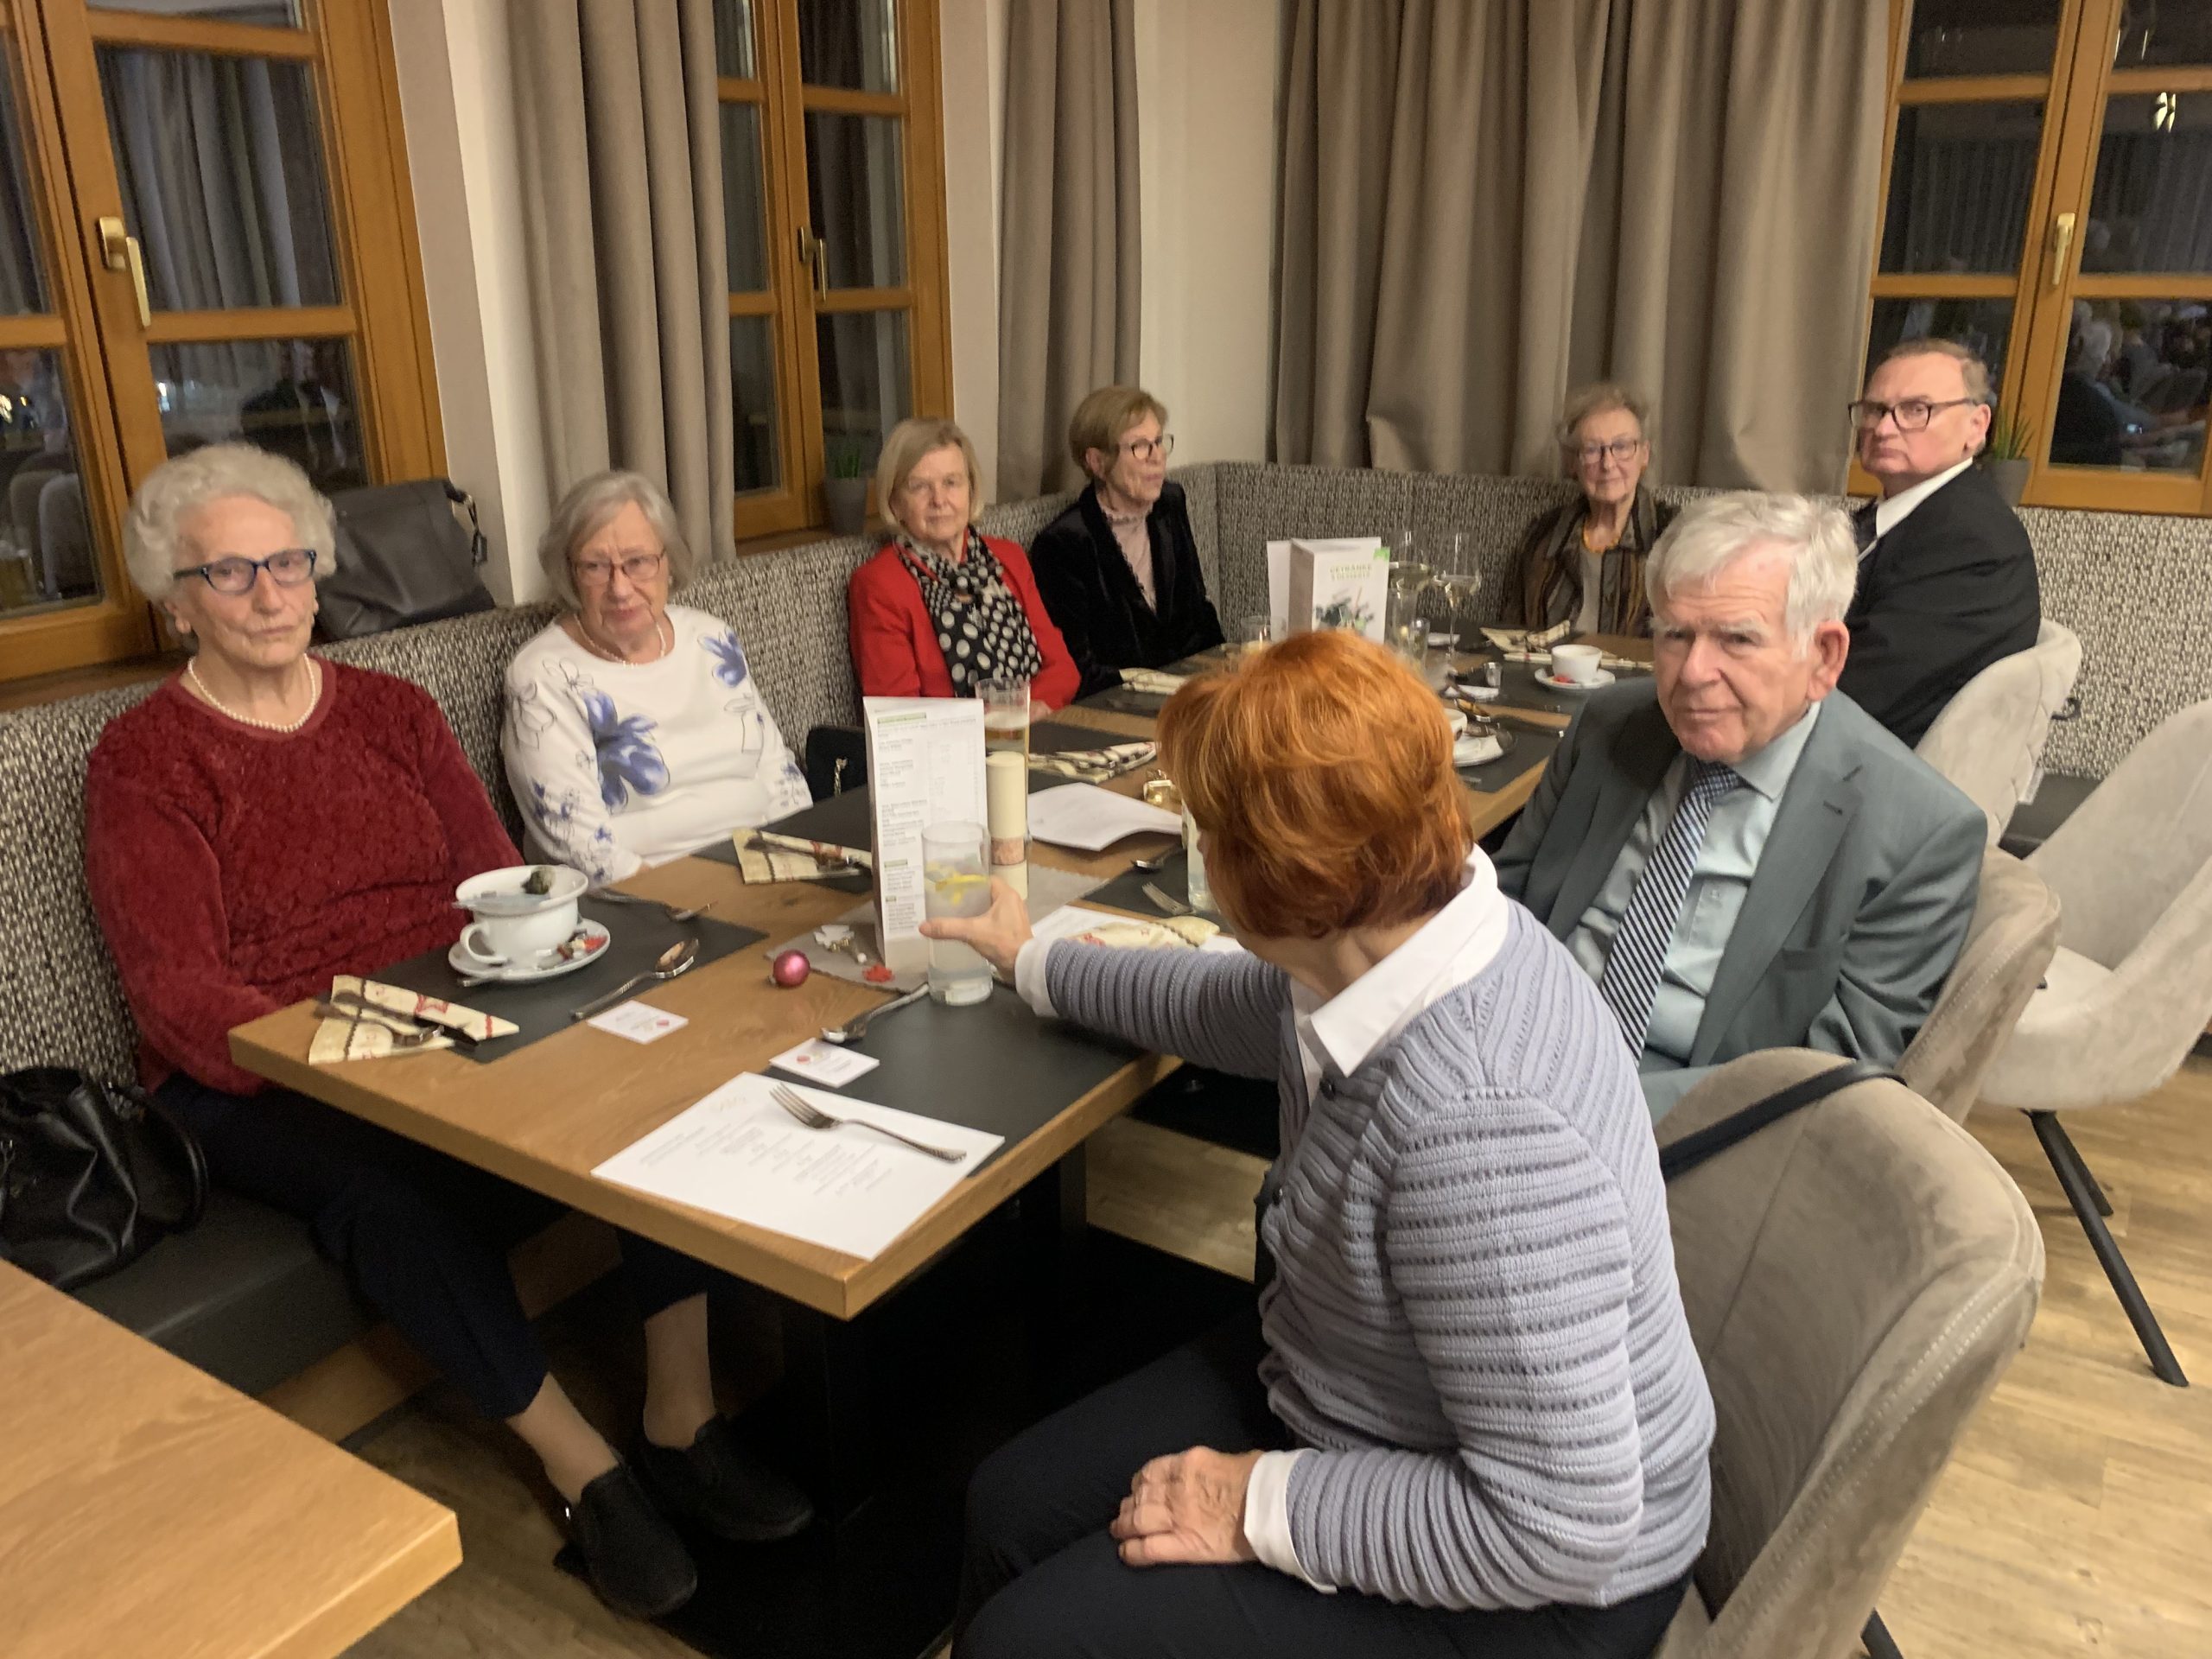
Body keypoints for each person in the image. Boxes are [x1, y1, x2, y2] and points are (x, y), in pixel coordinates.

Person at [83, 444, 810, 1622]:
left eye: (288, 564)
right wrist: (365, 1044)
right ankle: (587, 1473)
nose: (270, 595)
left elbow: (501, 880)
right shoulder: (144, 758)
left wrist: (520, 988)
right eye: (230, 574)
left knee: (646, 1082)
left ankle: (681, 1418)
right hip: (259, 1070)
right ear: (177, 602)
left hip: (442, 1006)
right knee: (390, 1198)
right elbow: (179, 993)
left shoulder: (392, 710)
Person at [923, 629, 1713, 1659]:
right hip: (1366, 1397)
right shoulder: (1391, 938)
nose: (1196, 851)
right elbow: (1216, 1002)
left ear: (1282, 884)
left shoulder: (1480, 1132)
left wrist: (1255, 1501)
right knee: (1006, 1506)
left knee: (1028, 1638)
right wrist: (1031, 960)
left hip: (1546, 1586)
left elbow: (1559, 1525)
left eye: (1204, 833)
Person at [1494, 492, 1986, 1122]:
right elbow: (1503, 909)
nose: (1693, 672)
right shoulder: (1609, 724)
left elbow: (1822, 1087)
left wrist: (1587, 1111)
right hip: (1510, 1052)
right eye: (1675, 634)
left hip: (1686, 1124)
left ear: (1824, 657)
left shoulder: (1919, 834)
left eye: (1737, 640)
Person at [503, 469, 810, 884]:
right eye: (595, 567)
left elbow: (779, 773)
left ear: (668, 563)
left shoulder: (710, 638)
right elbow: (579, 846)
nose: (620, 588)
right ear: (570, 574)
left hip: (766, 872)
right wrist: (693, 900)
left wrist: (799, 863)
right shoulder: (542, 677)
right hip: (648, 896)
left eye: (638, 562)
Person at [1843, 338, 2041, 746]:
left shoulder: (1973, 543)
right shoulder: (1885, 518)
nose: (1882, 429)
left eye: (1916, 410)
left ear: (1976, 426)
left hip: (1867, 762)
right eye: (1875, 410)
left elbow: (1861, 690)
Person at [848, 417, 1080, 709]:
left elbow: (1063, 669)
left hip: (1033, 726)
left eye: (951, 482)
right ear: (895, 503)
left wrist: (1027, 710)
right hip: (954, 738)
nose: (939, 500)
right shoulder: (880, 585)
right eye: (919, 487)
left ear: (971, 490)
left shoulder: (1007, 558)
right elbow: (900, 712)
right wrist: (996, 720)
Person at [1027, 385, 1224, 698]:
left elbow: (1198, 612)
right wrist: (1161, 687)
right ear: (1097, 462)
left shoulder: (1170, 503)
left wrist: (1228, 673)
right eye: (1140, 447)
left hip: (1189, 693)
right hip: (1119, 701)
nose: (1157, 457)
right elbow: (1079, 668)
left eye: (1158, 442)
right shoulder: (1063, 544)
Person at [1500, 383, 1677, 636]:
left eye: (1622, 447)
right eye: (1592, 450)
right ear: (1573, 463)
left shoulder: (1674, 535)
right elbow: (1512, 632)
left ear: (1644, 455)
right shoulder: (1543, 535)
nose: (1608, 464)